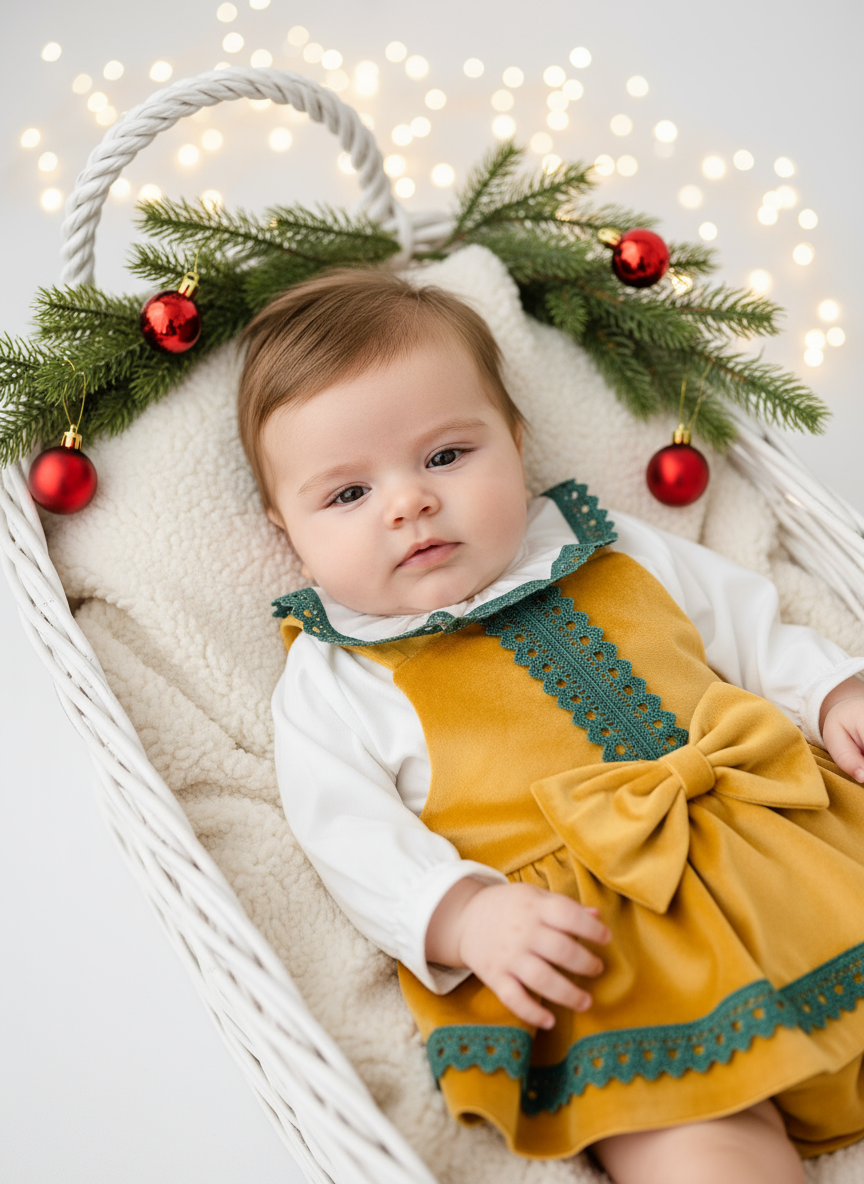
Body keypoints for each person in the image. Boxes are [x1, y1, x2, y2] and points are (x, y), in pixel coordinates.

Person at [237, 266, 864, 1184]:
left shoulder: (611, 543)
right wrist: (463, 913)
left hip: (789, 858)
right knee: (707, 1151)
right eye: (346, 496)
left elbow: (752, 627)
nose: (408, 502)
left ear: (516, 442)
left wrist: (833, 694)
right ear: (285, 530)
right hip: (602, 956)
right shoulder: (335, 676)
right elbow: (348, 835)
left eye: (446, 456)